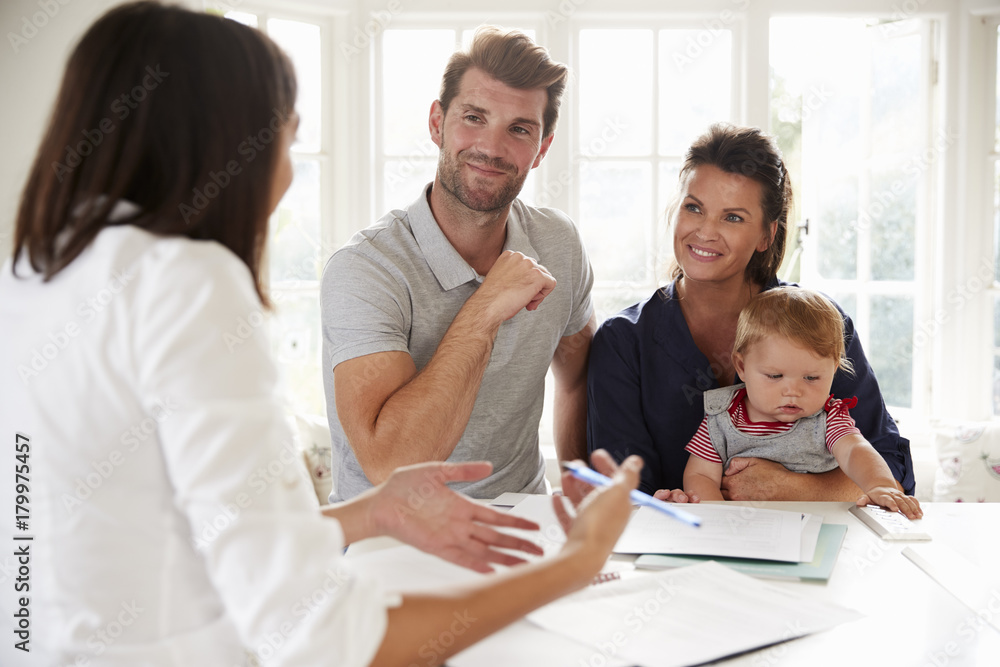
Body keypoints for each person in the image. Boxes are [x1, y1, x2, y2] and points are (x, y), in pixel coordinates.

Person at [0, 4, 639, 666]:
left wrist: (368, 512)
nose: (287, 154)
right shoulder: (188, 281)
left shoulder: (33, 273)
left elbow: (191, 530)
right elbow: (319, 635)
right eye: (285, 128)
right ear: (219, 136)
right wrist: (578, 561)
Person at [322, 27, 595, 502]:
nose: (491, 147)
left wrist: (576, 489)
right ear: (437, 123)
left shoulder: (559, 243)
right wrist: (487, 306)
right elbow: (391, 462)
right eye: (474, 117)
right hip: (392, 541)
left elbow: (578, 380)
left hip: (523, 525)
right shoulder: (365, 269)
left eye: (519, 129)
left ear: (542, 149)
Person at [587, 123, 915, 500]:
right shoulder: (622, 343)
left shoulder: (821, 324)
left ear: (766, 235)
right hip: (683, 549)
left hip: (812, 549)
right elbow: (621, 490)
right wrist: (663, 505)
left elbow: (893, 471)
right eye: (694, 208)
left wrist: (796, 488)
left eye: (733, 217)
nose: (706, 232)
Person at [682, 287, 922, 518]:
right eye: (775, 376)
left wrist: (879, 485)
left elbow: (855, 451)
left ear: (833, 371)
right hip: (745, 531)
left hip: (817, 527)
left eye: (811, 378)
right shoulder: (722, 417)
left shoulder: (829, 419)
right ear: (742, 367)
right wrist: (716, 517)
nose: (793, 391)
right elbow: (700, 475)